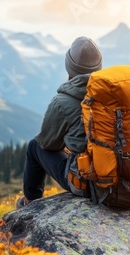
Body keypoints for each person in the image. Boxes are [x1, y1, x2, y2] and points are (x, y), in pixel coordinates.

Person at [17, 36, 102, 208]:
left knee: (35, 146)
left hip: (91, 183)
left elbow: (47, 143)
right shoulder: (113, 94)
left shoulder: (63, 102)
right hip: (129, 177)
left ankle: (30, 203)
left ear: (69, 67)